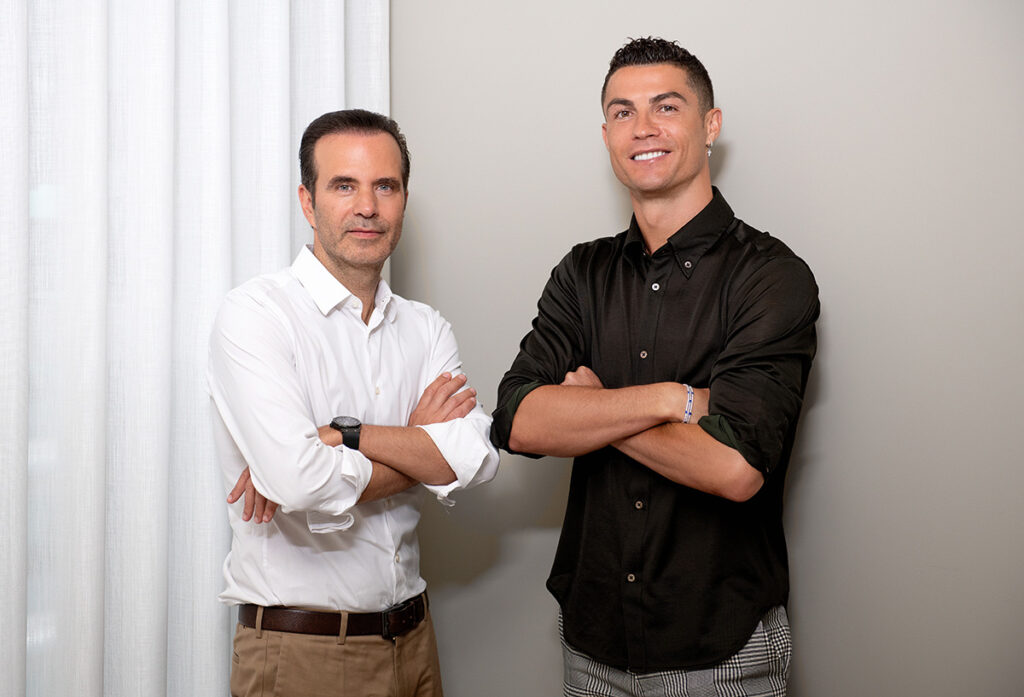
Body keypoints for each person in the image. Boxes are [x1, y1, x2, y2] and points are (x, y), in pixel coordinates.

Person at [491, 38, 819, 696]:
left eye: (666, 107)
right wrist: (673, 399)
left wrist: (593, 409)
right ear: (606, 134)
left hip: (722, 649)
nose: (642, 127)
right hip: (593, 644)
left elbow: (734, 468)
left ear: (710, 124)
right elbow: (518, 421)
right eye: (622, 112)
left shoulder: (771, 277)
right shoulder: (582, 273)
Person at [208, 109, 499, 697]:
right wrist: (417, 444)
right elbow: (298, 481)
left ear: (403, 200)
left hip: (415, 642)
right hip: (302, 653)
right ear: (307, 202)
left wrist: (346, 435)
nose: (367, 206)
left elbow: (477, 457)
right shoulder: (255, 315)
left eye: (384, 186)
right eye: (344, 186)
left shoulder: (425, 328)